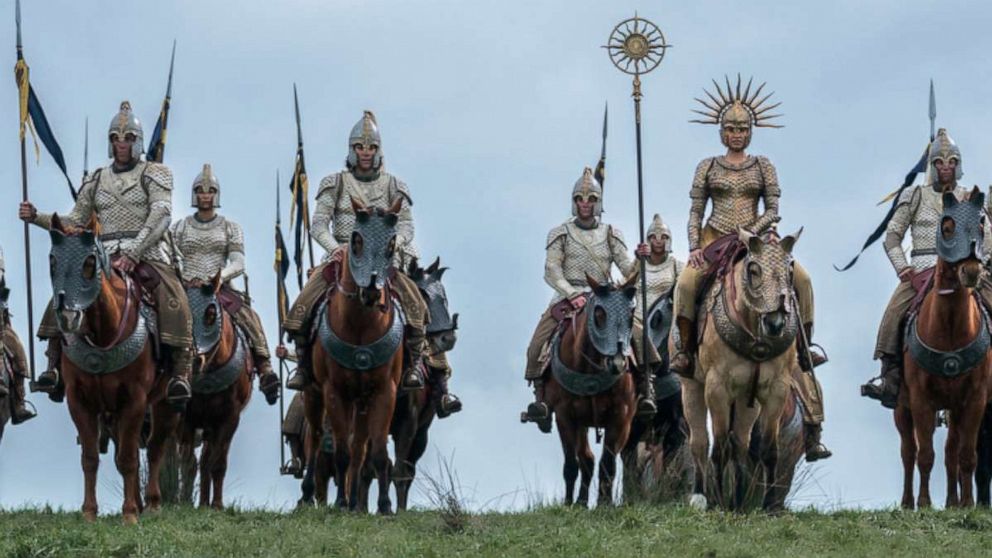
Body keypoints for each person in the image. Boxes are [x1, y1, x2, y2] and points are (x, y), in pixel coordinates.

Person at [19, 101, 193, 408]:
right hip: (103, 253)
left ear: (137, 142)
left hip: (148, 250)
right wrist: (38, 217)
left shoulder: (155, 173)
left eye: (126, 138)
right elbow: (75, 220)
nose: (121, 144)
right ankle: (54, 363)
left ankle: (179, 370)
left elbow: (161, 214)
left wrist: (135, 251)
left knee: (174, 296)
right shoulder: (98, 178)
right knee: (67, 290)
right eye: (115, 138)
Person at [171, 163, 280, 404]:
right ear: (195, 194)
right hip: (187, 287)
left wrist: (219, 277)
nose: (205, 195)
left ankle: (264, 367)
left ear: (215, 194)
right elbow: (172, 257)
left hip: (218, 288)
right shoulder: (180, 227)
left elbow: (238, 262)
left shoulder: (231, 228)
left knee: (246, 314)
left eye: (209, 190)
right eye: (200, 190)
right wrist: (184, 278)